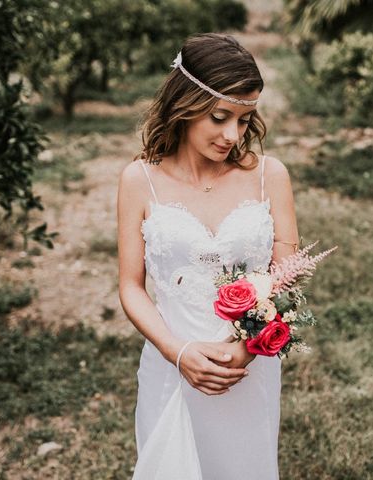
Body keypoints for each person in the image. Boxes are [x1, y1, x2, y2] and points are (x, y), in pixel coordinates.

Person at [117, 33, 299, 479]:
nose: (232, 134)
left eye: (243, 119)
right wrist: (176, 351)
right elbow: (130, 286)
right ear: (185, 103)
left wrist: (249, 348)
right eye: (220, 117)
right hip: (172, 366)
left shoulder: (268, 177)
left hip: (247, 369)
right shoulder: (140, 181)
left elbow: (287, 274)